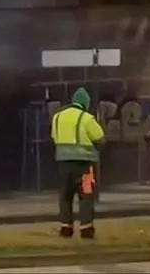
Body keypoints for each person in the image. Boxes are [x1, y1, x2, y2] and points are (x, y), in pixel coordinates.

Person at [51, 87, 104, 239]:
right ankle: (86, 229)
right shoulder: (87, 118)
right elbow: (99, 136)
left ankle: (65, 228)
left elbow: (54, 137)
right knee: (86, 196)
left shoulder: (57, 117)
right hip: (84, 165)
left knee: (65, 196)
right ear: (85, 103)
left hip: (63, 164)